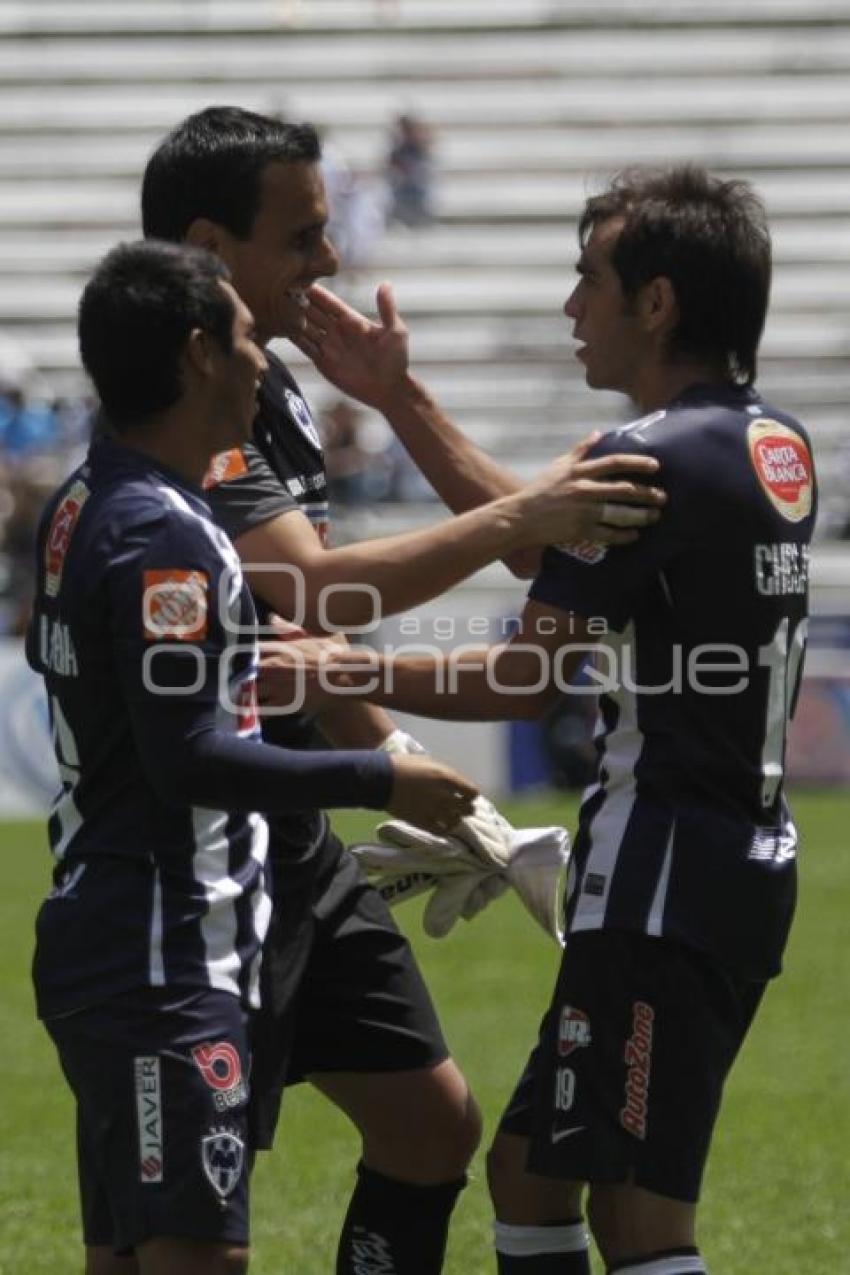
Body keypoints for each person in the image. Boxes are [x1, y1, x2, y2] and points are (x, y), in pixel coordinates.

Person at [138, 106, 666, 1275]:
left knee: (433, 1127)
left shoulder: (269, 391)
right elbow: (315, 594)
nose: (330, 261)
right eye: (303, 236)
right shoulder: (188, 407)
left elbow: (303, 653)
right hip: (199, 846)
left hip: (294, 834)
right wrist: (516, 517)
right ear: (209, 244)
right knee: (174, 1224)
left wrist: (454, 807)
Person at [276, 166, 817, 1275]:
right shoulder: (761, 439)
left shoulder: (650, 457)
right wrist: (398, 395)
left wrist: (340, 668)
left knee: (638, 1213)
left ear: (655, 302)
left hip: (665, 872)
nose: (572, 307)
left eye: (590, 280)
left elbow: (526, 680)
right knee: (529, 1167)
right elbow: (534, 539)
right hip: (718, 859)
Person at [27, 239, 478, 1275]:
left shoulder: (91, 499)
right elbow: (188, 759)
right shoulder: (162, 531)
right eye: (240, 340)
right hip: (161, 949)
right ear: (197, 355)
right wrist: (381, 778)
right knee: (195, 1258)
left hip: (125, 931)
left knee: (132, 1258)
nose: (261, 362)